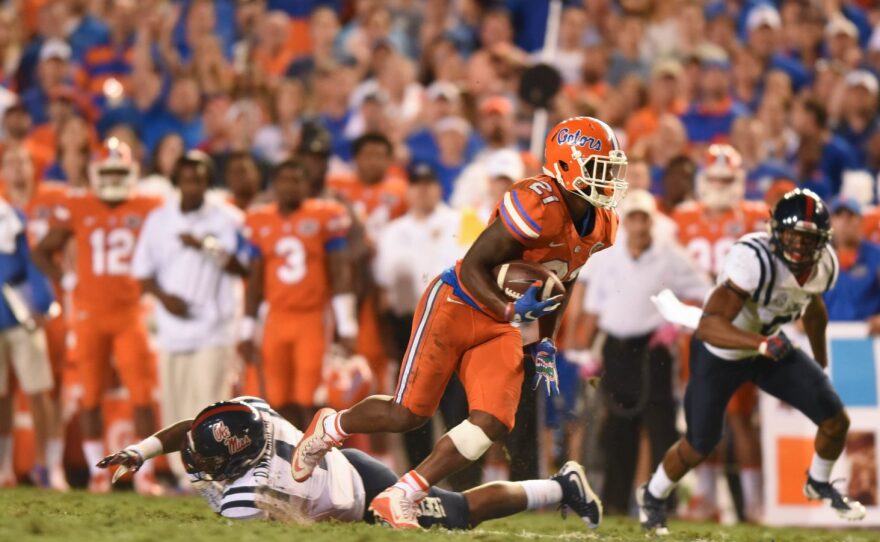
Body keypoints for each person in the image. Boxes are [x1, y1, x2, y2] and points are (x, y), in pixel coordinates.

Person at [293, 116, 625, 528]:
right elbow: (473, 268)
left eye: (611, 169)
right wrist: (509, 312)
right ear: (564, 165)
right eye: (599, 167)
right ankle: (331, 426)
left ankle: (403, 493)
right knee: (407, 413)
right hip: (458, 302)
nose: (608, 178)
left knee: (493, 419)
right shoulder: (538, 203)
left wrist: (545, 342)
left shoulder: (601, 224)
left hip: (502, 320)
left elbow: (563, 280)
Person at [638, 189, 866, 535]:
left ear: (821, 241)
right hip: (723, 351)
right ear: (776, 232)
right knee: (700, 443)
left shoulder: (824, 266)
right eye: (793, 236)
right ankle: (653, 497)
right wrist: (759, 343)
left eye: (809, 239)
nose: (801, 247)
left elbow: (814, 308)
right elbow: (710, 325)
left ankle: (818, 482)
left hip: (768, 349)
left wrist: (819, 360)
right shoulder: (753, 259)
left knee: (835, 420)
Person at [96, 396, 601, 529]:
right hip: (347, 465)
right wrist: (141, 450)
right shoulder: (249, 417)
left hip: (364, 494)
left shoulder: (252, 495)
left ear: (241, 460)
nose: (197, 463)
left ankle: (562, 485)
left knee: (460, 512)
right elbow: (196, 427)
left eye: (207, 461)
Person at [31, 138, 162, 494]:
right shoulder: (78, 204)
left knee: (142, 397)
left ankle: (146, 477)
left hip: (130, 313)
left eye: (121, 171)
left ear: (132, 172)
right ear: (96, 173)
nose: (115, 178)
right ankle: (97, 474)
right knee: (89, 396)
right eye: (109, 171)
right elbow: (42, 252)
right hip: (90, 315)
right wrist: (67, 279)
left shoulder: (149, 205)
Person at [580, 189, 711, 515]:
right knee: (617, 429)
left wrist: (679, 322)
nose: (639, 226)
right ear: (626, 222)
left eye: (644, 219)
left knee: (661, 427)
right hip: (616, 348)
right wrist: (589, 351)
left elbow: (708, 292)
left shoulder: (670, 256)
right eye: (634, 218)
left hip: (654, 349)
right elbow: (594, 308)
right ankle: (613, 503)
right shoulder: (608, 258)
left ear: (652, 222)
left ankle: (661, 502)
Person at [131, 151, 244, 487]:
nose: (192, 185)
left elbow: (242, 266)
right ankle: (186, 477)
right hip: (172, 327)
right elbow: (142, 271)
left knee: (209, 405)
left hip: (214, 327)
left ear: (208, 181)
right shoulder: (159, 219)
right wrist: (165, 299)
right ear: (176, 181)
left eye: (199, 178)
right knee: (176, 405)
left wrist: (205, 245)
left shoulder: (227, 218)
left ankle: (215, 474)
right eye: (186, 178)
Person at [671, 143, 768, 522]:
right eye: (715, 178)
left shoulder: (754, 216)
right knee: (701, 414)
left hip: (736, 328)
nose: (721, 186)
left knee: (741, 418)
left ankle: (755, 501)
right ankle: (706, 498)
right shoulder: (682, 218)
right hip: (694, 330)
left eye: (727, 179)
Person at [238, 159, 358, 428]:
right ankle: (289, 458)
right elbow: (254, 281)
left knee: (312, 398)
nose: (290, 186)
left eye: (297, 180)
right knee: (277, 398)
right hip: (275, 319)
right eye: (284, 180)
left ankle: (316, 461)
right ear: (274, 185)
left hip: (312, 317)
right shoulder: (259, 220)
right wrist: (246, 330)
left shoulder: (325, 216)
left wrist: (347, 325)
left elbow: (339, 274)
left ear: (307, 185)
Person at [0, 144, 69, 491]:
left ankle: (46, 465)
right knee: (1, 395)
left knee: (40, 390)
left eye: (21, 161)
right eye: (9, 161)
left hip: (23, 312)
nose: (16, 168)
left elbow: (31, 260)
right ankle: (4, 467)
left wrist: (43, 302)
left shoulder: (26, 211)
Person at [822, 196, 880, 328]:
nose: (844, 222)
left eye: (850, 216)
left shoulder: (877, 256)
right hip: (829, 337)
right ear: (831, 222)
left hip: (869, 339)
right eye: (839, 216)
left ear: (860, 221)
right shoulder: (819, 257)